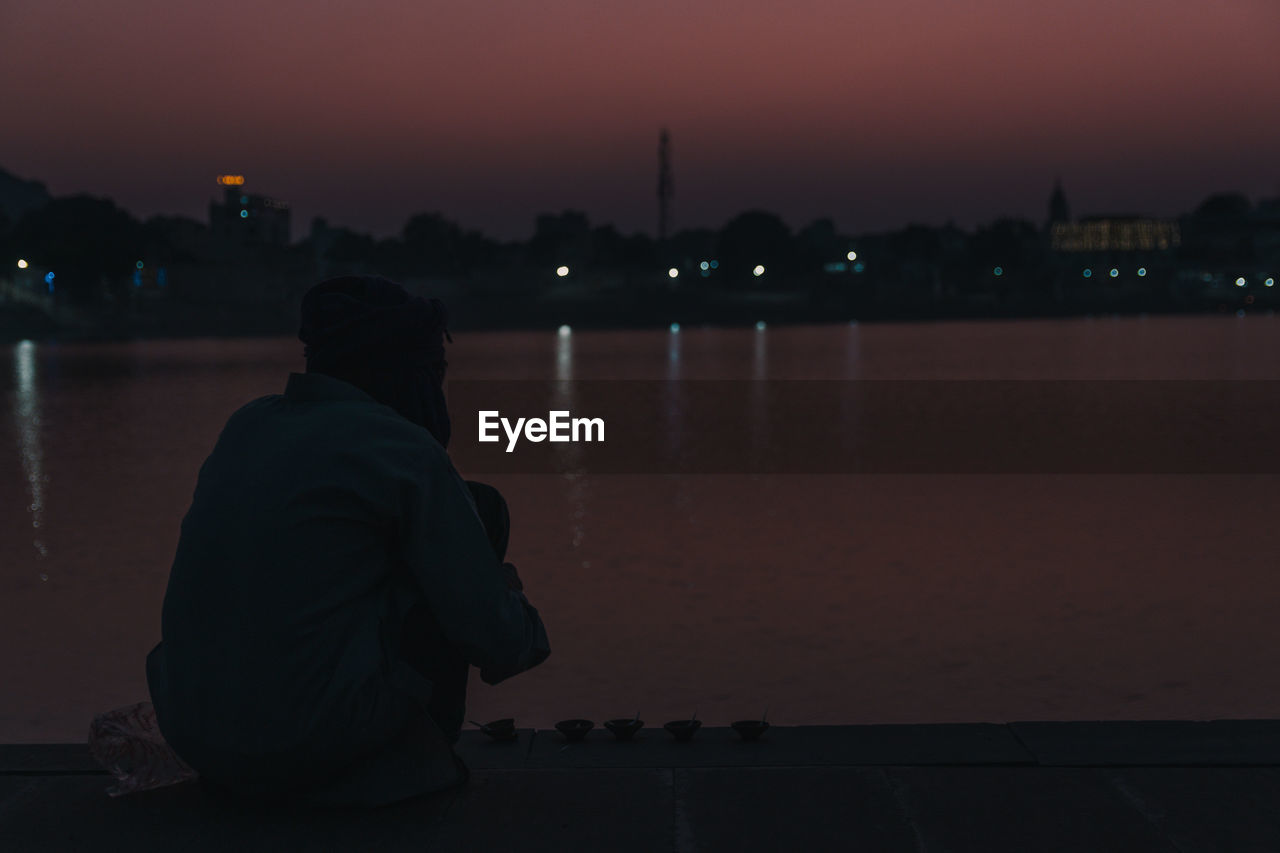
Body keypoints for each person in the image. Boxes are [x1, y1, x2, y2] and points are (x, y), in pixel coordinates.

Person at [145, 275, 550, 807]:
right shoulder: (402, 448)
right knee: (481, 509)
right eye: (435, 373)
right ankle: (412, 760)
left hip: (196, 736)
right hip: (310, 742)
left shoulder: (246, 425)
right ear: (408, 372)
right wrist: (507, 598)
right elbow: (499, 641)